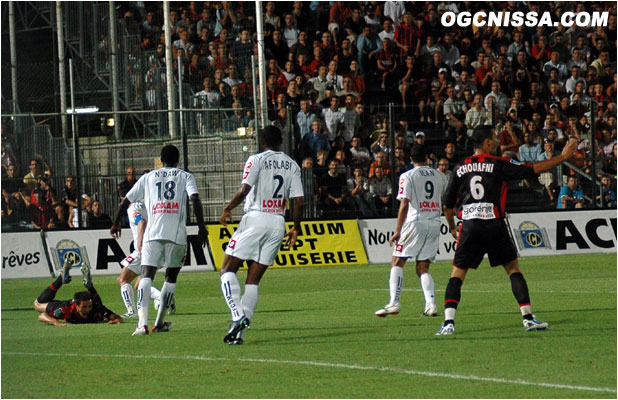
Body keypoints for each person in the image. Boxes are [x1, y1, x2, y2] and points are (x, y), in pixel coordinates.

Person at [437, 126, 577, 335]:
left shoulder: (459, 168)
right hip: (494, 222)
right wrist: (563, 157)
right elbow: (533, 169)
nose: (497, 143)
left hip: (469, 225)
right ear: (486, 143)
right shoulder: (498, 164)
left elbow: (447, 206)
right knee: (512, 268)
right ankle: (528, 319)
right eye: (494, 139)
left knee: (458, 272)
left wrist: (451, 227)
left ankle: (448, 323)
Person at [218, 125, 304, 345]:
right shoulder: (292, 164)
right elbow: (299, 200)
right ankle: (239, 335)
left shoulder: (255, 160)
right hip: (278, 223)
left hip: (255, 218)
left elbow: (245, 189)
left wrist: (228, 208)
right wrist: (295, 227)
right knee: (253, 281)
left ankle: (237, 316)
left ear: (262, 141)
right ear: (280, 142)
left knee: (227, 268)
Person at [111, 144, 207, 335]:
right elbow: (195, 199)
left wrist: (116, 223)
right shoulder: (186, 176)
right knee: (171, 277)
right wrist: (201, 227)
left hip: (152, 235)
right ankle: (159, 322)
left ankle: (142, 324)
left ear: (161, 160)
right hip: (177, 235)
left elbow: (125, 201)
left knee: (146, 275)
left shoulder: (148, 177)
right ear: (178, 159)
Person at [376, 145, 448, 318]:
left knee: (397, 261)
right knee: (423, 267)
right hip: (434, 222)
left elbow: (404, 203)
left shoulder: (407, 176)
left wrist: (397, 230)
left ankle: (394, 302)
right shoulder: (440, 175)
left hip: (415, 222)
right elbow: (444, 198)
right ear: (427, 157)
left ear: (410, 159)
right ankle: (430, 305)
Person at [116, 201, 171, 319]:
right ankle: (165, 300)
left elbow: (141, 222)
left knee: (123, 279)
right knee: (140, 286)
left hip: (144, 250)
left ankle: (131, 311)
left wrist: (140, 242)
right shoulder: (148, 205)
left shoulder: (133, 208)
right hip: (157, 248)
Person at [33, 261, 122, 325]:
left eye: (89, 306)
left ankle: (89, 286)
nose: (87, 310)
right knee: (37, 305)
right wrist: (56, 322)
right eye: (84, 307)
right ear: (76, 305)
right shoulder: (65, 309)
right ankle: (60, 280)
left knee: (98, 305)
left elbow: (117, 317)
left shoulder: (97, 308)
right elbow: (42, 316)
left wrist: (116, 321)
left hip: (97, 305)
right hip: (58, 304)